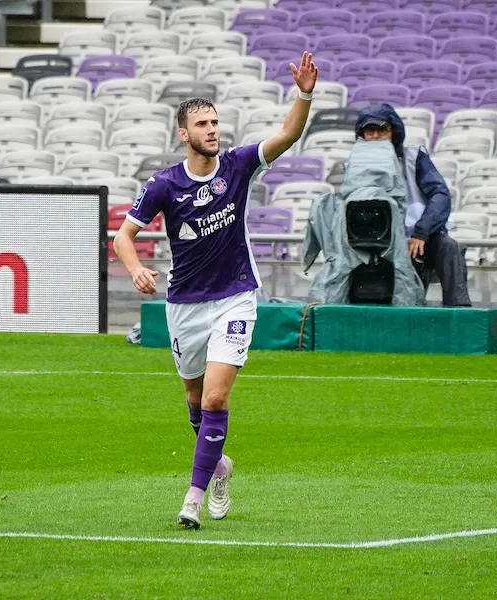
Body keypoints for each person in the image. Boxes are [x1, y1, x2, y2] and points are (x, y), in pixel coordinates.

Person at [113, 52, 319, 528]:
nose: (212, 130)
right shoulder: (164, 184)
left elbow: (287, 135)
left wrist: (304, 94)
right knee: (194, 399)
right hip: (185, 304)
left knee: (215, 399)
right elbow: (124, 236)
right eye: (202, 124)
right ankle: (220, 466)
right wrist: (135, 268)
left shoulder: (239, 165)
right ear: (183, 134)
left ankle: (193, 498)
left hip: (236, 297)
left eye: (215, 122)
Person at [354, 104, 471, 307]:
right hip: (377, 242)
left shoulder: (414, 158)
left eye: (382, 130)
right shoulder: (355, 166)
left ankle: (459, 310)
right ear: (361, 135)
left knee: (449, 247)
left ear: (394, 132)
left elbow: (440, 194)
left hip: (418, 238)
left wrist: (421, 232)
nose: (375, 136)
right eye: (369, 131)